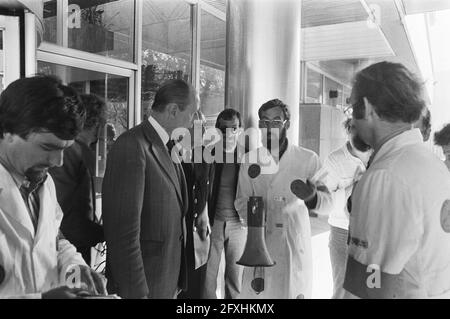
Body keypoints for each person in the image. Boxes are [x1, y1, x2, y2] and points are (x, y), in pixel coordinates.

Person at [343, 61, 450, 298]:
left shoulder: (386, 176)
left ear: (368, 107)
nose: (352, 119)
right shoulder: (431, 164)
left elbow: (369, 283)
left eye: (351, 108)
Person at [0, 75, 106, 298]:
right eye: (47, 146)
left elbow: (55, 239)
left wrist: (74, 268)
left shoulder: (41, 182)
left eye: (65, 148)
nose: (57, 161)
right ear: (6, 132)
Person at [102, 79, 198, 299]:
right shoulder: (132, 145)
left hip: (167, 279)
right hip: (145, 285)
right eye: (192, 114)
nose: (192, 122)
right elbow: (123, 233)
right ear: (173, 110)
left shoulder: (168, 145)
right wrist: (136, 293)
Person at [235, 99, 332, 299]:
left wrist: (312, 197)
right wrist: (255, 220)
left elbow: (328, 203)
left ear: (287, 124)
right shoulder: (250, 160)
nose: (270, 128)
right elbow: (241, 200)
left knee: (291, 290)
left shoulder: (307, 159)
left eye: (276, 122)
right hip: (261, 242)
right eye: (265, 122)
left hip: (293, 243)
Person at [49, 94, 106, 266]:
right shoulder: (72, 152)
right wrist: (104, 233)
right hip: (68, 249)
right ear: (96, 124)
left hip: (70, 246)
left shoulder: (75, 151)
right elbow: (64, 210)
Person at [201, 108, 247, 299]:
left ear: (240, 129)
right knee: (207, 278)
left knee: (235, 278)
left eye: (233, 128)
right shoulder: (207, 155)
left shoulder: (248, 157)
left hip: (238, 226)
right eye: (223, 128)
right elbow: (199, 189)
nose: (229, 133)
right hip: (213, 223)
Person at [323, 118, 371, 299]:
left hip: (373, 233)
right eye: (354, 129)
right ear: (348, 130)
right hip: (343, 233)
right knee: (344, 290)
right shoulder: (334, 160)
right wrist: (355, 186)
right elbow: (325, 201)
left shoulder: (377, 153)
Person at [178, 110, 211, 299]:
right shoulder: (171, 153)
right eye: (197, 125)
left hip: (198, 230)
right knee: (180, 284)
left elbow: (205, 187)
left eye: (203, 125)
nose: (203, 130)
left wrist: (204, 211)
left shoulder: (204, 156)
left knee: (196, 283)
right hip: (179, 229)